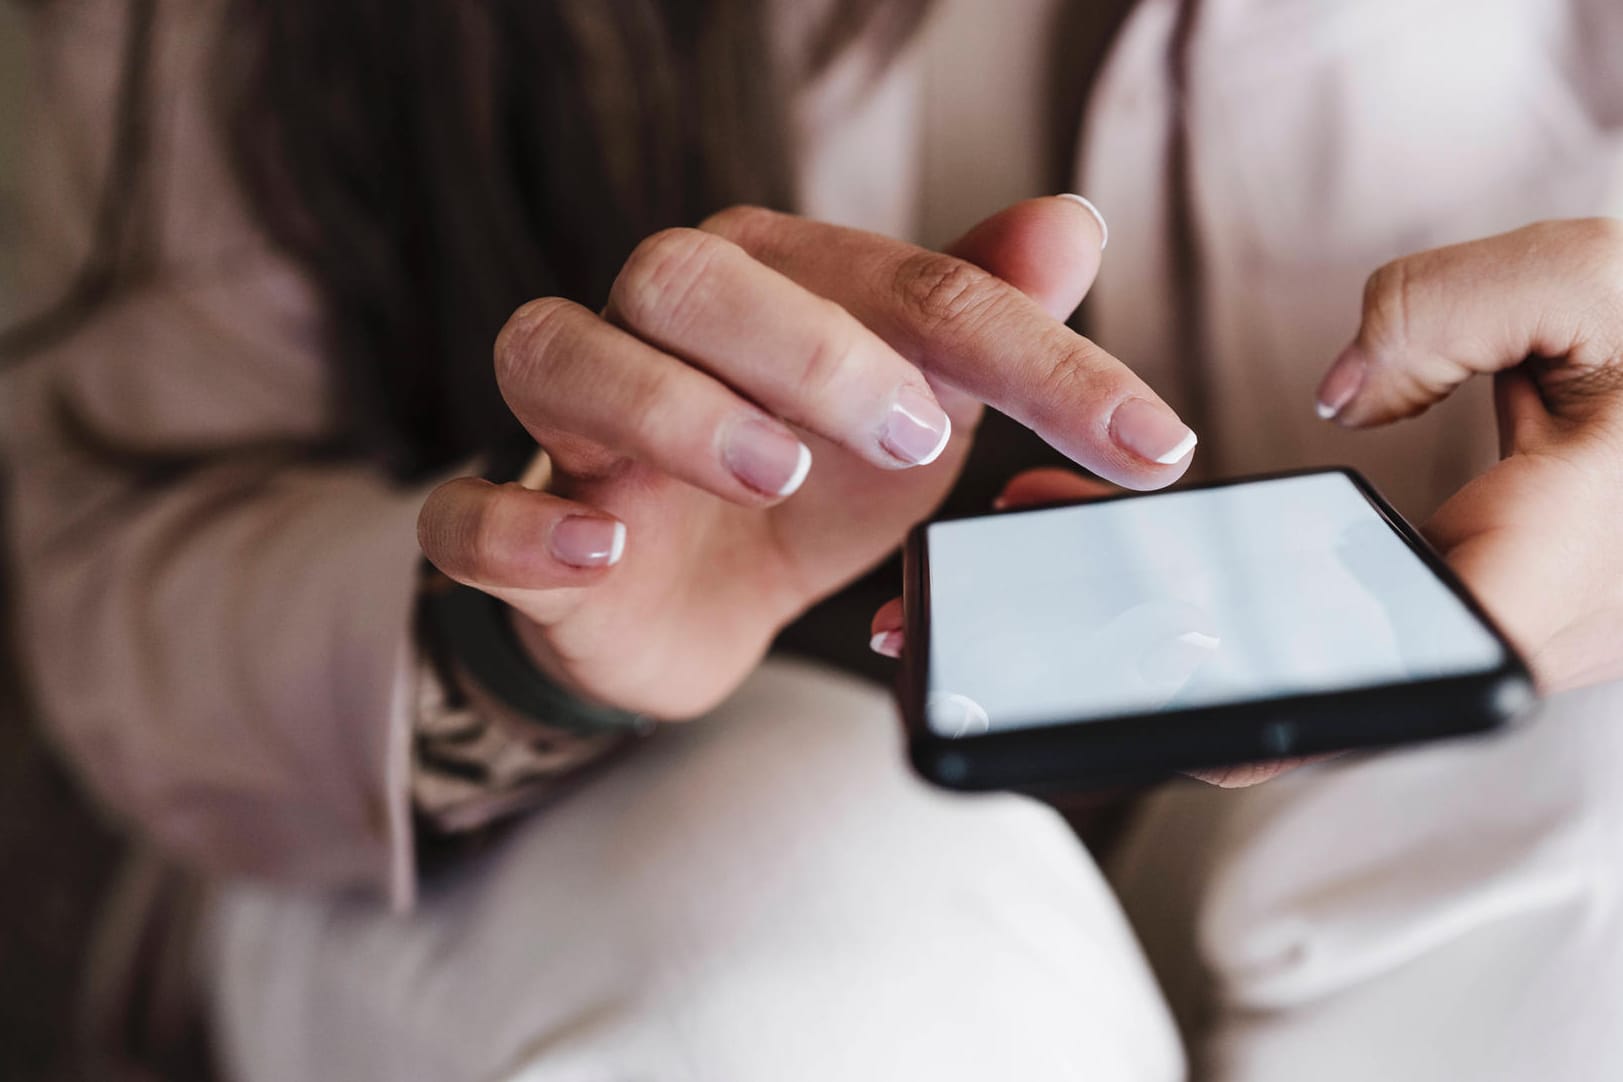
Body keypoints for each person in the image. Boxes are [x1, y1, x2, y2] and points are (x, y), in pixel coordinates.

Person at [4, 1, 1623, 1079]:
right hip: (567, 816)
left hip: (1444, 689)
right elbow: (129, 537)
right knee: (827, 933)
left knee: (1579, 803)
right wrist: (513, 633)